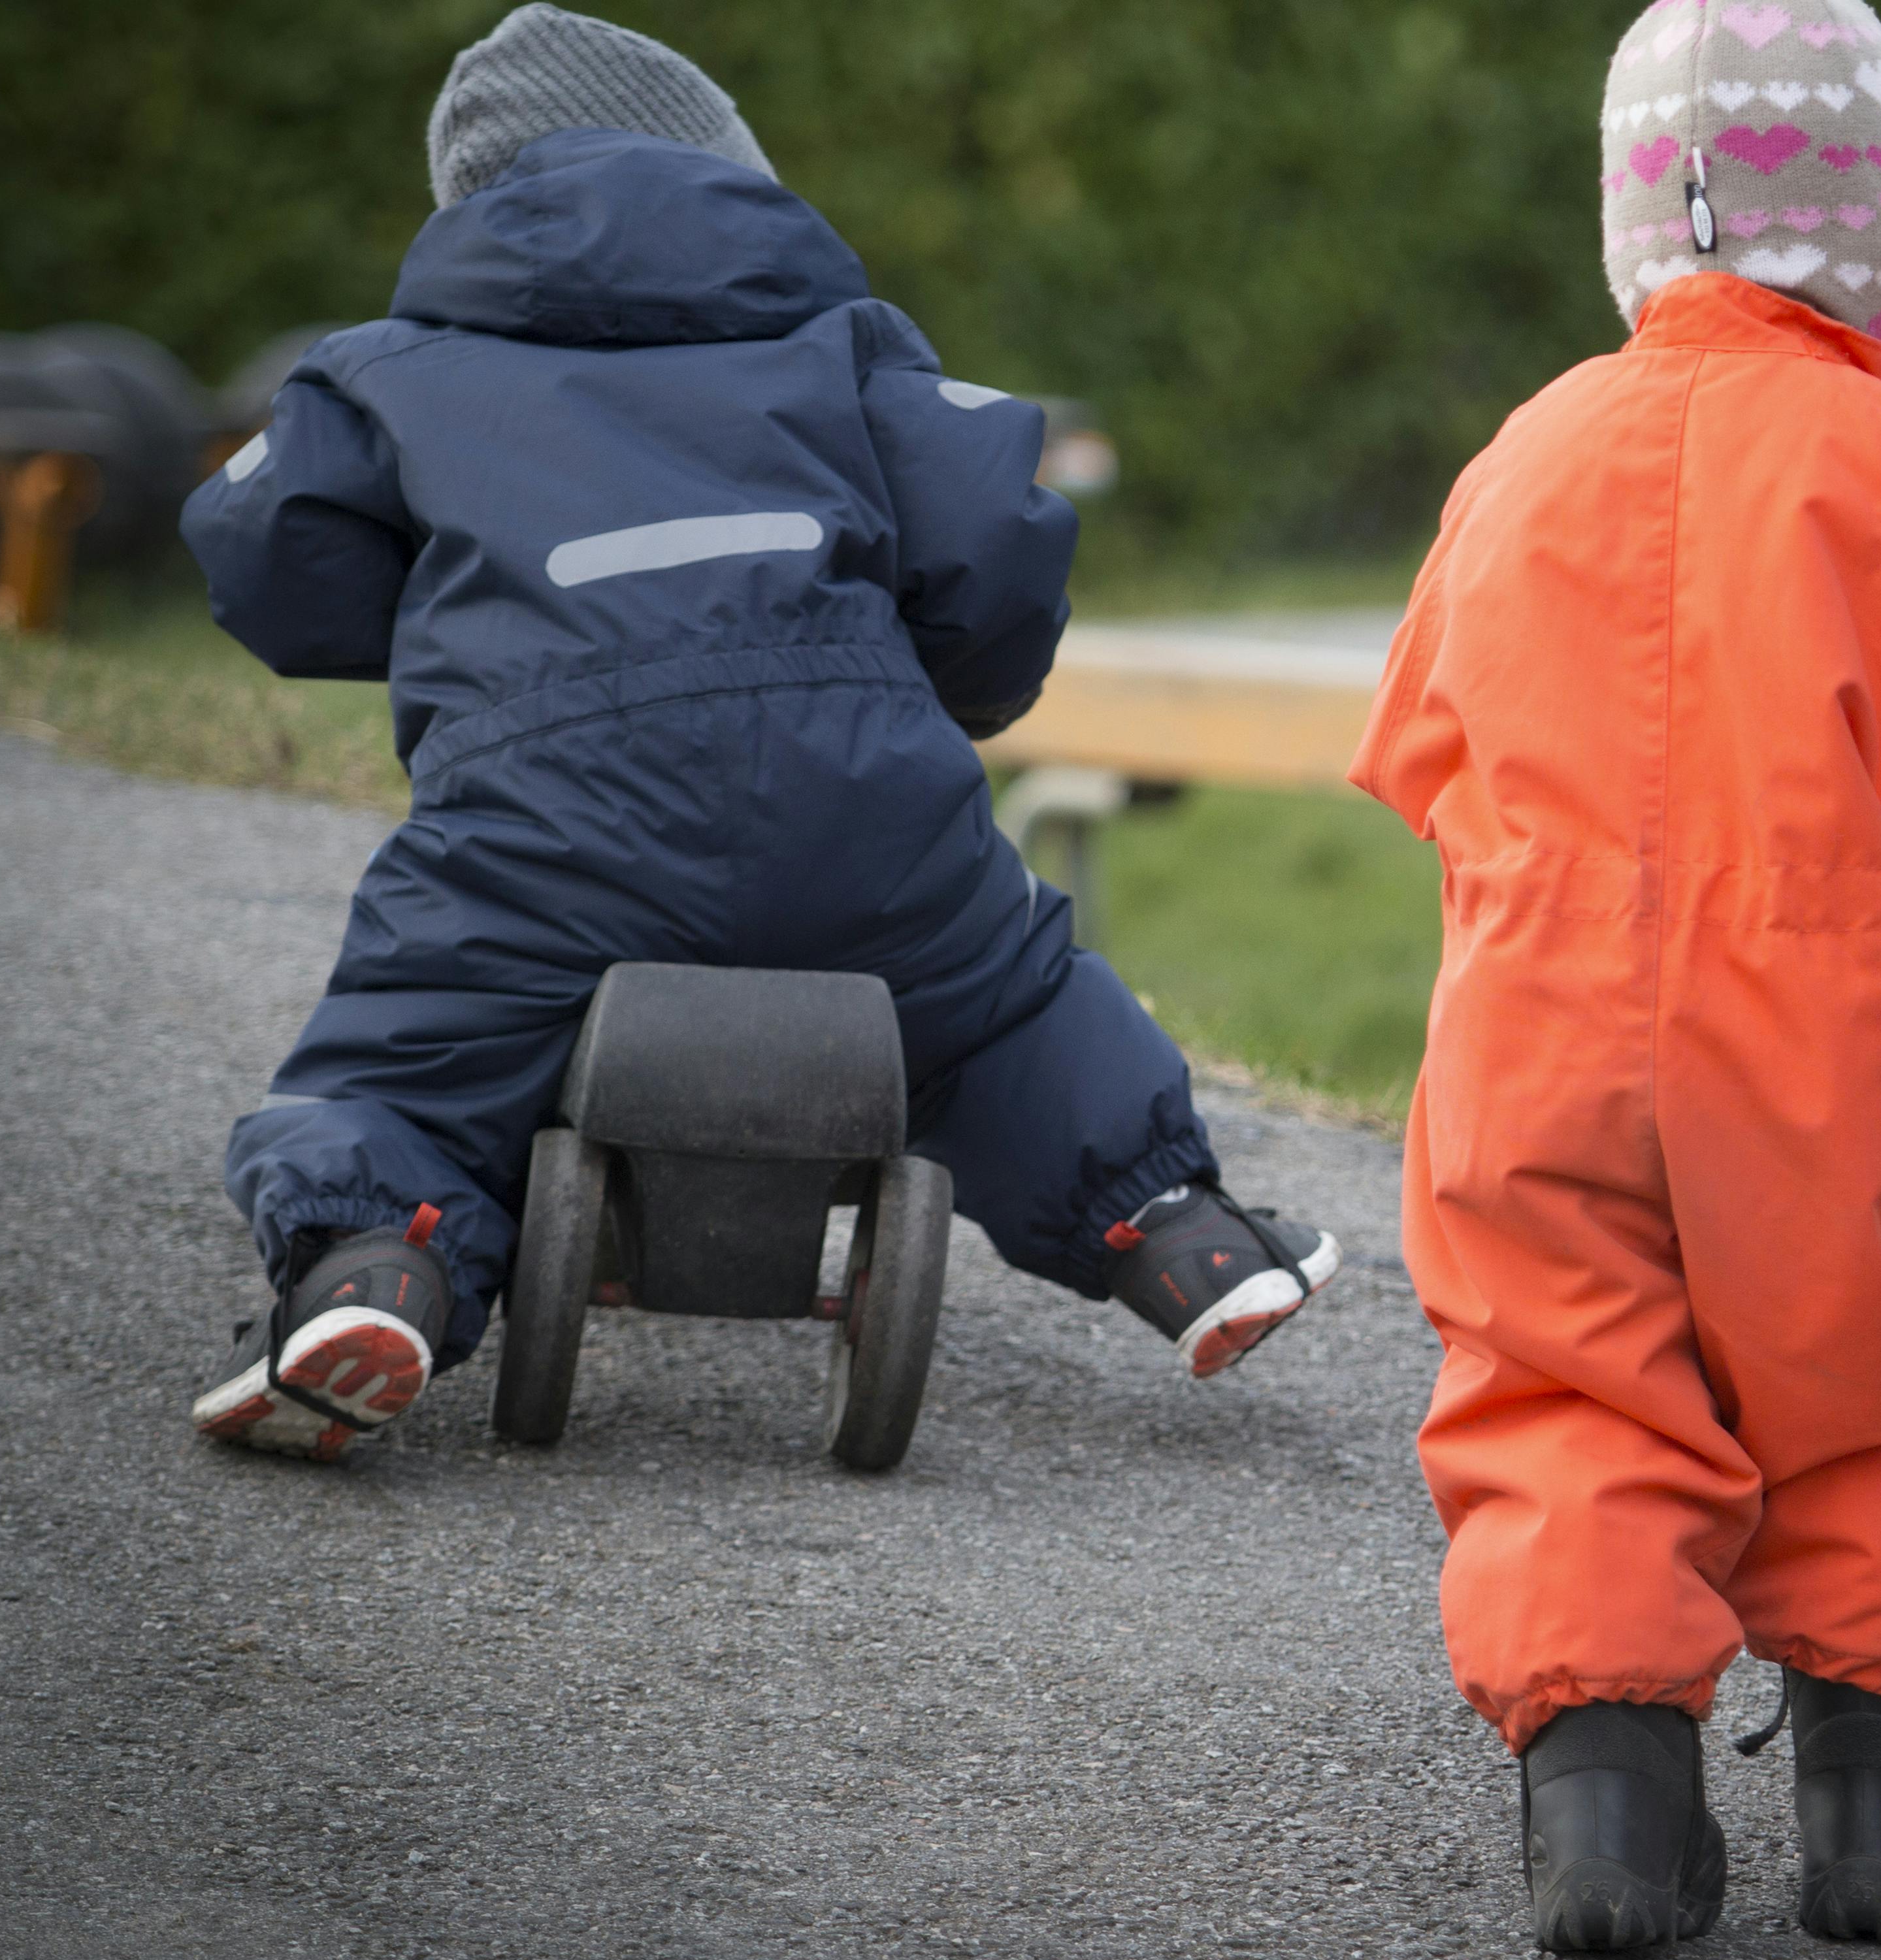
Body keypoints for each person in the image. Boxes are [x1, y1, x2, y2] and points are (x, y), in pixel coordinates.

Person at [181, 5, 1339, 1463]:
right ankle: (1181, 1229)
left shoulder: (391, 369)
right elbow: (996, 527)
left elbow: (262, 555)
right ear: (729, 179)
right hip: (865, 791)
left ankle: (370, 1268)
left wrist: (438, 624)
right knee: (1001, 1002)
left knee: (407, 1058)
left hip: (546, 821)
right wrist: (954, 697)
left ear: (472, 201)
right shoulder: (844, 345)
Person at [1352, 0, 1881, 1952]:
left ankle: (1610, 1811)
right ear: (1879, 239)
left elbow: (1413, 740)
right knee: (1863, 1377)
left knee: (1567, 1382)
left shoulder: (1523, 456)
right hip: (1825, 1021)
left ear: (1638, 227)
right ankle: (1879, 1807)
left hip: (1535, 1016)